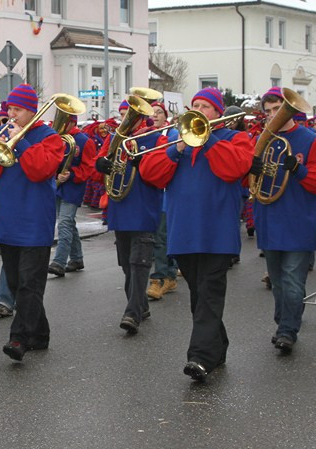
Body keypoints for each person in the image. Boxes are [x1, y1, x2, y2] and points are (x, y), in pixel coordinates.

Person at [139, 88, 253, 381]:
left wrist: (208, 138)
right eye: (196, 105)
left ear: (218, 113)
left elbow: (235, 169)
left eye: (207, 106)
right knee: (199, 296)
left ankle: (199, 357)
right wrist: (176, 148)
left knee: (210, 295)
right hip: (183, 232)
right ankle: (218, 346)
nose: (200, 109)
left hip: (217, 232)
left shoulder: (234, 138)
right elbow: (151, 174)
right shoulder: (176, 142)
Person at [0, 83, 64, 361]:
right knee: (15, 282)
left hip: (35, 220)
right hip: (8, 218)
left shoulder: (50, 138)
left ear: (32, 111)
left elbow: (41, 171)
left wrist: (21, 143)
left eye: (17, 110)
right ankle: (40, 333)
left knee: (29, 284)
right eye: (9, 108)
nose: (10, 114)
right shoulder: (3, 136)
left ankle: (19, 338)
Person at [250, 89, 316, 353]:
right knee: (277, 280)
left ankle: (288, 329)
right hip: (270, 218)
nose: (273, 116)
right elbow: (250, 182)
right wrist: (251, 169)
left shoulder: (312, 140)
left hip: (298, 219)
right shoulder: (262, 140)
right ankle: (283, 321)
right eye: (269, 112)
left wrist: (299, 169)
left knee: (293, 280)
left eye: (277, 110)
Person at [94, 99, 165, 335]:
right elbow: (100, 162)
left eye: (130, 114)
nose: (126, 118)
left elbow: (160, 173)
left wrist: (142, 161)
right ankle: (141, 306)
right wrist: (101, 164)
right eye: (123, 114)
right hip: (120, 207)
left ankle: (132, 312)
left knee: (139, 262)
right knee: (126, 264)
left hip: (144, 207)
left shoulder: (155, 138)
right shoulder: (116, 137)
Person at [49, 114, 96, 276]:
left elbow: (88, 168)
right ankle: (76, 258)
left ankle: (59, 262)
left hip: (73, 187)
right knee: (68, 223)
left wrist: (72, 174)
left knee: (64, 223)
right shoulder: (55, 137)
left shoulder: (84, 141)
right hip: (58, 185)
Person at [147, 102, 179, 300]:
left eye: (159, 112)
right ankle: (170, 273)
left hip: (166, 193)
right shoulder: (146, 134)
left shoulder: (172, 134)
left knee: (161, 237)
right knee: (160, 237)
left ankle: (160, 278)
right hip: (150, 193)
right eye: (152, 113)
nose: (155, 115)